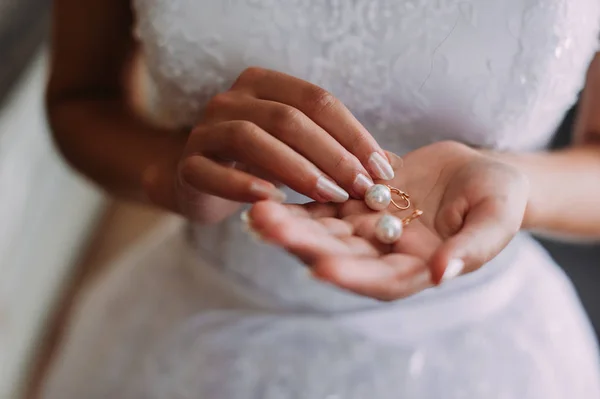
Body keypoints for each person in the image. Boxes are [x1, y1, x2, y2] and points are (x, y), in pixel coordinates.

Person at [40, 1, 600, 398]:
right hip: (198, 333)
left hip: (488, 358)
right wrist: (173, 174)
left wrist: (514, 183)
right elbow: (80, 99)